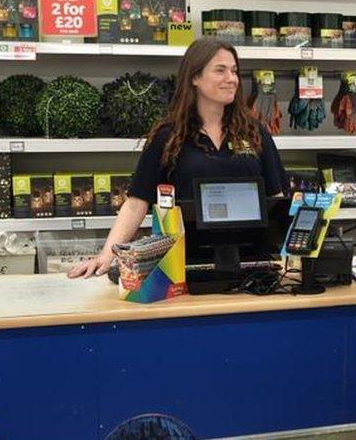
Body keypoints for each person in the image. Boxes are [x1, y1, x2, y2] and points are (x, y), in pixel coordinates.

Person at [69, 38, 288, 279]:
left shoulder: (255, 132)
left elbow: (275, 199)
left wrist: (289, 255)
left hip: (253, 265)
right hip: (182, 268)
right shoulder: (168, 136)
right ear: (195, 77)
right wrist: (106, 256)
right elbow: (136, 202)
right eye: (220, 70)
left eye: (234, 71)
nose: (231, 78)